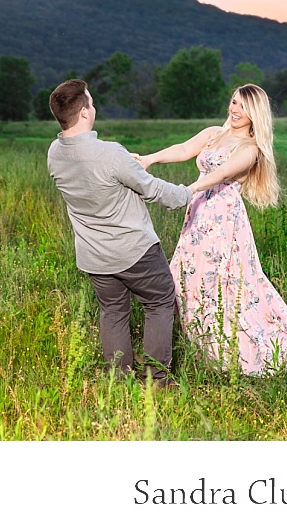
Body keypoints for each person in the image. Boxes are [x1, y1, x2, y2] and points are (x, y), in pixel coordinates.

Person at [132, 84, 287, 375]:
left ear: (254, 114)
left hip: (222, 219)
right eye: (234, 102)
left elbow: (220, 174)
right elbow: (183, 149)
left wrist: (186, 190)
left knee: (219, 279)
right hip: (197, 216)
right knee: (186, 274)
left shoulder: (250, 149)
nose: (234, 110)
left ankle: (220, 342)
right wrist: (149, 159)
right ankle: (189, 338)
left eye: (243, 106)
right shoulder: (213, 133)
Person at [47, 79, 192, 387]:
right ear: (85, 112)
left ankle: (119, 380)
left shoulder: (54, 153)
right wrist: (186, 195)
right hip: (133, 250)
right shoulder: (110, 153)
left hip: (94, 255)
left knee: (113, 312)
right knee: (159, 302)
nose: (94, 107)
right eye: (92, 102)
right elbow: (151, 189)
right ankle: (157, 381)